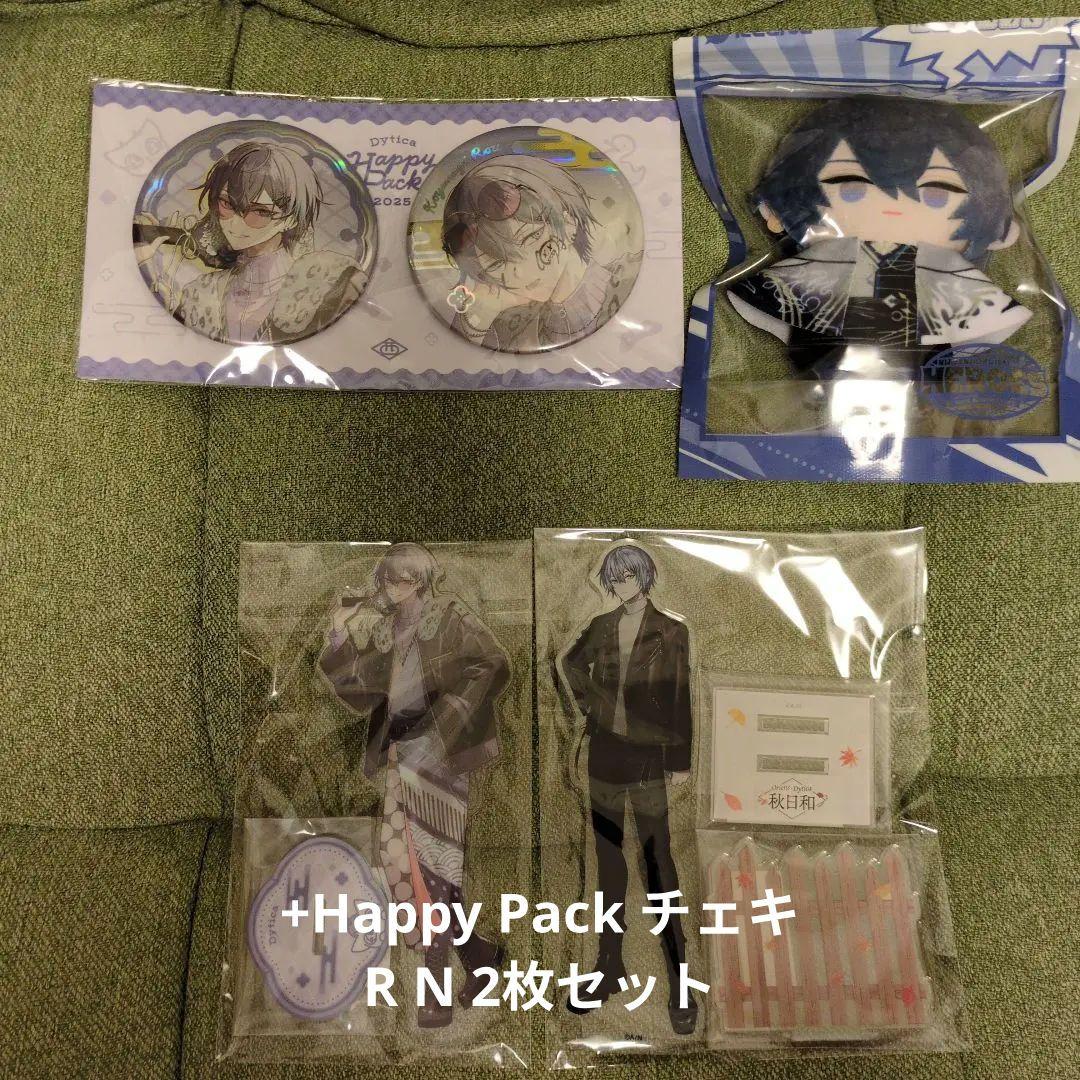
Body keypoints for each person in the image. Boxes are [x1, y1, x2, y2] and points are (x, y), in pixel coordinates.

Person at [317, 543, 509, 1028]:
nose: (390, 586)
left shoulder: (450, 615)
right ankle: (481, 958)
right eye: (386, 578)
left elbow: (494, 663)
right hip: (399, 754)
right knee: (404, 862)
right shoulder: (386, 631)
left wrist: (445, 724)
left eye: (400, 578)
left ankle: (434, 990)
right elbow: (357, 692)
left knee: (434, 871)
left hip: (441, 754)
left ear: (420, 580)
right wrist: (339, 633)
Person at [727, 97, 1031, 380]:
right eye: (851, 188)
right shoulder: (823, 265)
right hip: (826, 345)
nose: (894, 208)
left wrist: (994, 225)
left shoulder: (945, 273)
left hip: (922, 350)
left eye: (937, 195)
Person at [559, 544, 697, 1035]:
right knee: (608, 862)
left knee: (659, 860)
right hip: (605, 753)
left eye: (628, 576)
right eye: (613, 578)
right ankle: (608, 965)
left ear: (645, 577)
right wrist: (592, 706)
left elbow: (680, 693)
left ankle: (680, 977)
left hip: (649, 757)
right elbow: (569, 665)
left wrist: (680, 759)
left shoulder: (672, 631)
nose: (620, 585)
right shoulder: (601, 625)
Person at [135, 139, 368, 344]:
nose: (236, 224)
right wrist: (148, 269)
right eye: (227, 204)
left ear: (291, 219)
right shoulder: (201, 291)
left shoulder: (331, 279)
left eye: (260, 212)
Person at [441, 155, 639, 352]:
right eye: (496, 265)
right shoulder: (506, 327)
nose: (517, 274)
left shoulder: (628, 279)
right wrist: (478, 317)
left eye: (529, 238)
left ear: (568, 221)